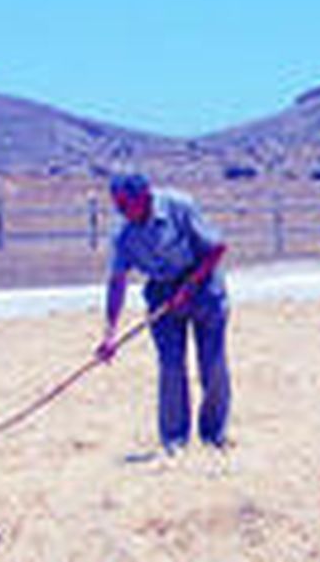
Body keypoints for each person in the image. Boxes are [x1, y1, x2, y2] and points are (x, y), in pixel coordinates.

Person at [96, 172, 231, 452]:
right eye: (116, 205)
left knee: (213, 364)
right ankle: (174, 439)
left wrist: (189, 287)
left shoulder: (179, 206)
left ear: (143, 196)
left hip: (204, 287)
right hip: (162, 296)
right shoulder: (123, 234)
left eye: (124, 204)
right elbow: (117, 281)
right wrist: (109, 334)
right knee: (171, 366)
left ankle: (214, 435)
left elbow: (217, 247)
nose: (120, 211)